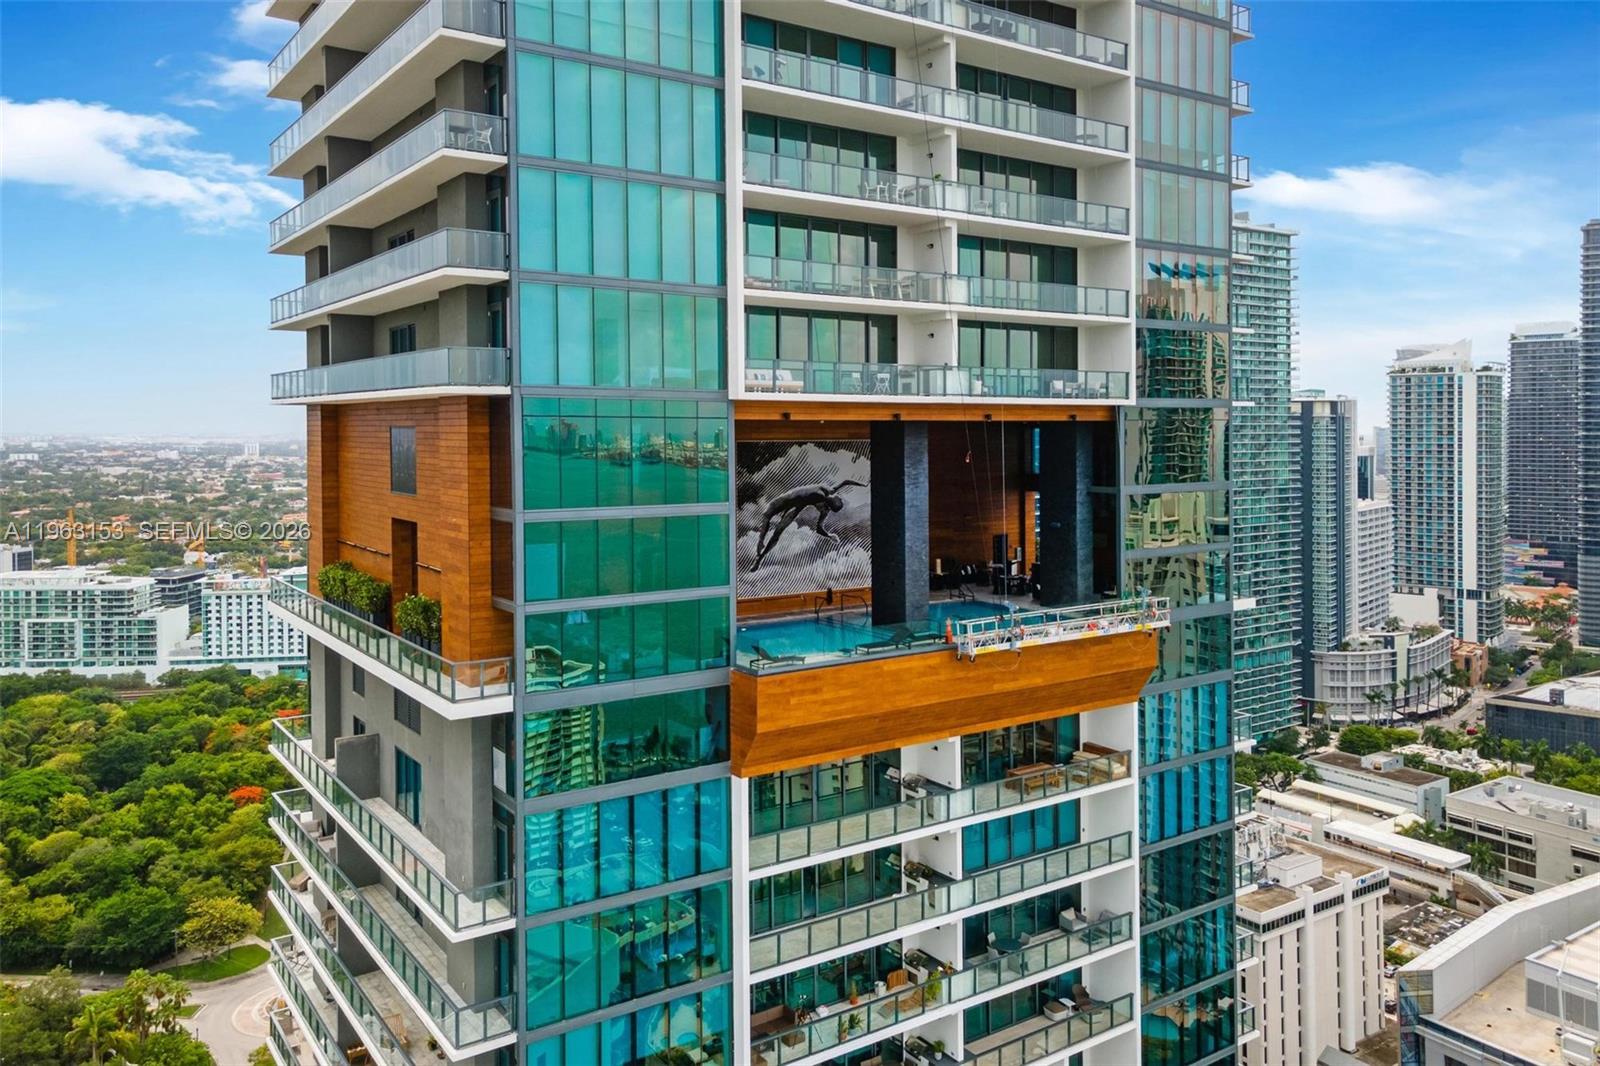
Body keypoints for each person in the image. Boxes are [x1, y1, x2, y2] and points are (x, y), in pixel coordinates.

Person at [749, 480, 864, 571]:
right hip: (789, 498)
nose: (822, 509)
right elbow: (846, 482)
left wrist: (829, 535)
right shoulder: (825, 495)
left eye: (824, 508)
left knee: (778, 532)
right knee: (767, 514)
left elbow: (818, 529)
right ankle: (760, 542)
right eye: (823, 506)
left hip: (797, 505)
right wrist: (863, 485)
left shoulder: (825, 508)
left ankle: (759, 559)